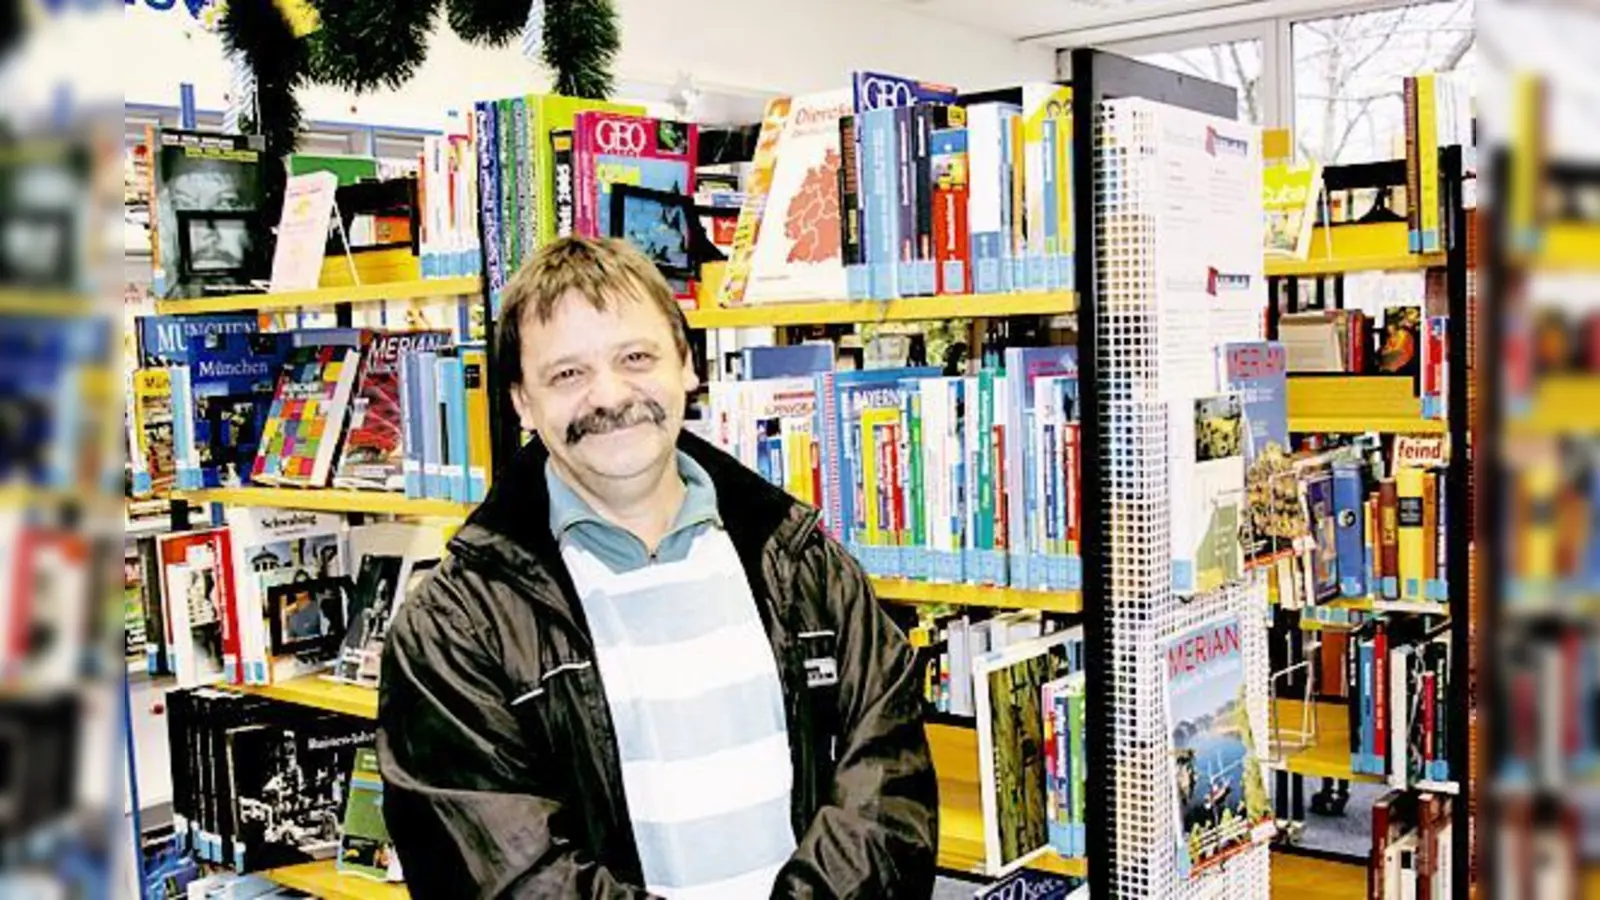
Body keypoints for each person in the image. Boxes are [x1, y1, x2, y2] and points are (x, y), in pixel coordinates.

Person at [378, 236, 938, 898]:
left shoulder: (806, 565)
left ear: (687, 366)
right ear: (522, 403)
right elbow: (499, 877)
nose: (609, 395)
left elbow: (889, 796)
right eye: (567, 374)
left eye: (635, 357)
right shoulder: (454, 628)